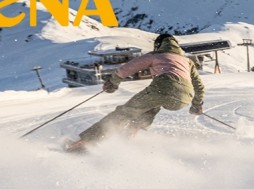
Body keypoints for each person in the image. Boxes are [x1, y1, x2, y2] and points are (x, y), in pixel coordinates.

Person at [66, 34, 205, 153]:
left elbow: (128, 68)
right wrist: (196, 105)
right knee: (151, 107)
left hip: (162, 87)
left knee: (124, 113)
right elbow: (199, 85)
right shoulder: (187, 61)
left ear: (158, 45)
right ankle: (130, 136)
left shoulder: (155, 55)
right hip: (184, 98)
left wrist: (113, 81)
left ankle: (83, 144)